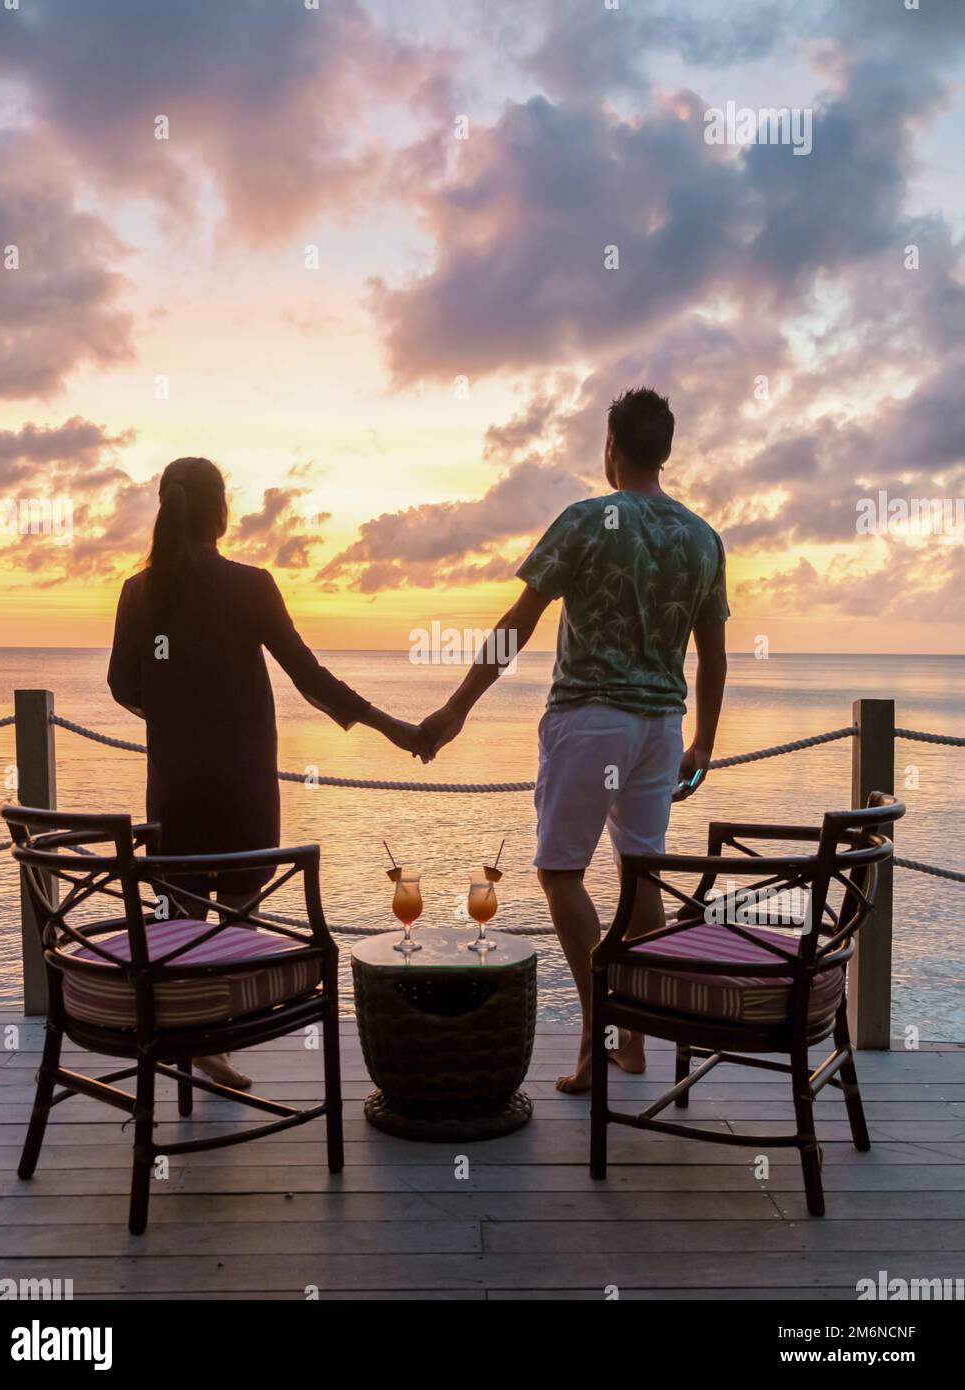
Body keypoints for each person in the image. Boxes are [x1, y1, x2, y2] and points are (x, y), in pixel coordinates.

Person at [420, 389, 729, 1091]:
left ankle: (600, 1033)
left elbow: (517, 622)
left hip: (590, 719)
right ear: (667, 451)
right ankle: (636, 1041)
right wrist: (704, 742)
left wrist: (459, 705)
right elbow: (712, 656)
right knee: (640, 873)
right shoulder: (701, 537)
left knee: (561, 874)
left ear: (612, 447)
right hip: (661, 728)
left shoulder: (589, 521)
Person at [108, 456, 428, 1089]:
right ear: (221, 514)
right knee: (235, 918)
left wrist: (169, 710)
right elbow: (309, 678)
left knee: (177, 917)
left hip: (175, 785)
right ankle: (213, 1037)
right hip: (242, 782)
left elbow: (122, 684)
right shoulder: (251, 586)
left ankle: (191, 1035)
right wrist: (395, 728)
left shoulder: (139, 591)